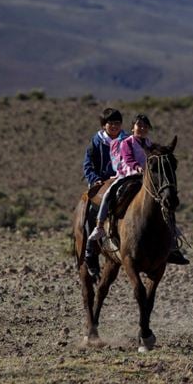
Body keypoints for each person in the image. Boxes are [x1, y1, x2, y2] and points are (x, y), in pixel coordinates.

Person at [88, 113, 189, 266]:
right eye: (139, 125)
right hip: (127, 175)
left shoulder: (149, 144)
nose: (141, 128)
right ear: (133, 127)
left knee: (163, 199)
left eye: (144, 126)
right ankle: (100, 226)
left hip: (145, 178)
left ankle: (172, 239)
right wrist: (138, 168)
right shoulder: (127, 142)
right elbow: (128, 159)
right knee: (109, 193)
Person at [83, 108, 128, 277]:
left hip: (122, 179)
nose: (115, 126)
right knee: (90, 210)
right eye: (111, 123)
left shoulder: (127, 140)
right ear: (104, 125)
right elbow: (87, 165)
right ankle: (90, 249)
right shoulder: (96, 141)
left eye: (118, 123)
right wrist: (95, 178)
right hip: (101, 182)